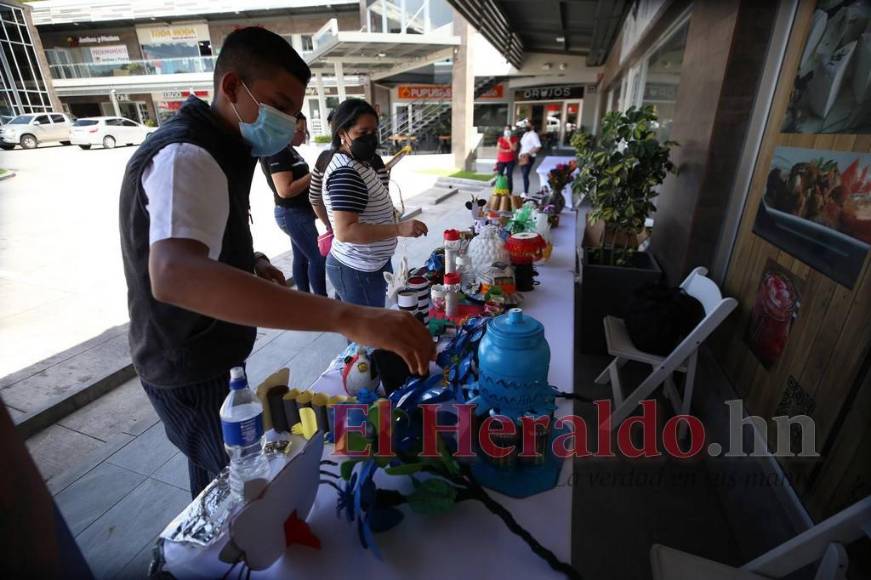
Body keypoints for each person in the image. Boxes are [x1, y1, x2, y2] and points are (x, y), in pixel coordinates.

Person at [119, 28, 433, 497]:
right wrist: (347, 316)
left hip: (212, 350)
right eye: (280, 105)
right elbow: (174, 274)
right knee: (241, 489)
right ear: (231, 88)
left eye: (294, 110)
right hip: (188, 362)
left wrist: (249, 261)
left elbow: (196, 236)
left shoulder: (222, 147)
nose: (288, 122)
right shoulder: (188, 154)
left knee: (216, 481)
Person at [322, 98, 428, 307]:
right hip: (357, 269)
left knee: (364, 329)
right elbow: (346, 231)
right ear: (342, 134)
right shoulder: (346, 173)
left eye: (374, 132)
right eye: (363, 133)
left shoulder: (361, 161)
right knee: (367, 335)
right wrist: (398, 228)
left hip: (371, 263)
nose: (370, 139)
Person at [260, 113, 326, 296]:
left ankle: (304, 298)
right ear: (285, 129)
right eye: (299, 130)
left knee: (302, 258)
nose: (303, 135)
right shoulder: (277, 152)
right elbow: (285, 190)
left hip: (299, 212)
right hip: (291, 213)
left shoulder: (288, 150)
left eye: (304, 131)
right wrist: (314, 175)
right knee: (318, 257)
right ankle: (321, 303)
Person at [519, 123, 542, 194]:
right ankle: (525, 192)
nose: (526, 126)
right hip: (522, 156)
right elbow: (523, 145)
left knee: (525, 175)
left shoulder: (533, 134)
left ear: (532, 126)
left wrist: (528, 153)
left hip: (529, 157)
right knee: (524, 175)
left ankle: (526, 192)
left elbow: (538, 146)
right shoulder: (525, 134)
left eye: (528, 125)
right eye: (526, 124)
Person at [494, 125, 519, 193]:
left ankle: (509, 192)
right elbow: (498, 148)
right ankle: (499, 190)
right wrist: (507, 151)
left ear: (511, 131)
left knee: (509, 176)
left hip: (510, 160)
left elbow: (514, 149)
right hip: (501, 160)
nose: (507, 131)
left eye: (508, 130)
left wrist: (508, 141)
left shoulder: (514, 138)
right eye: (506, 129)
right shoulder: (501, 138)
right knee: (500, 175)